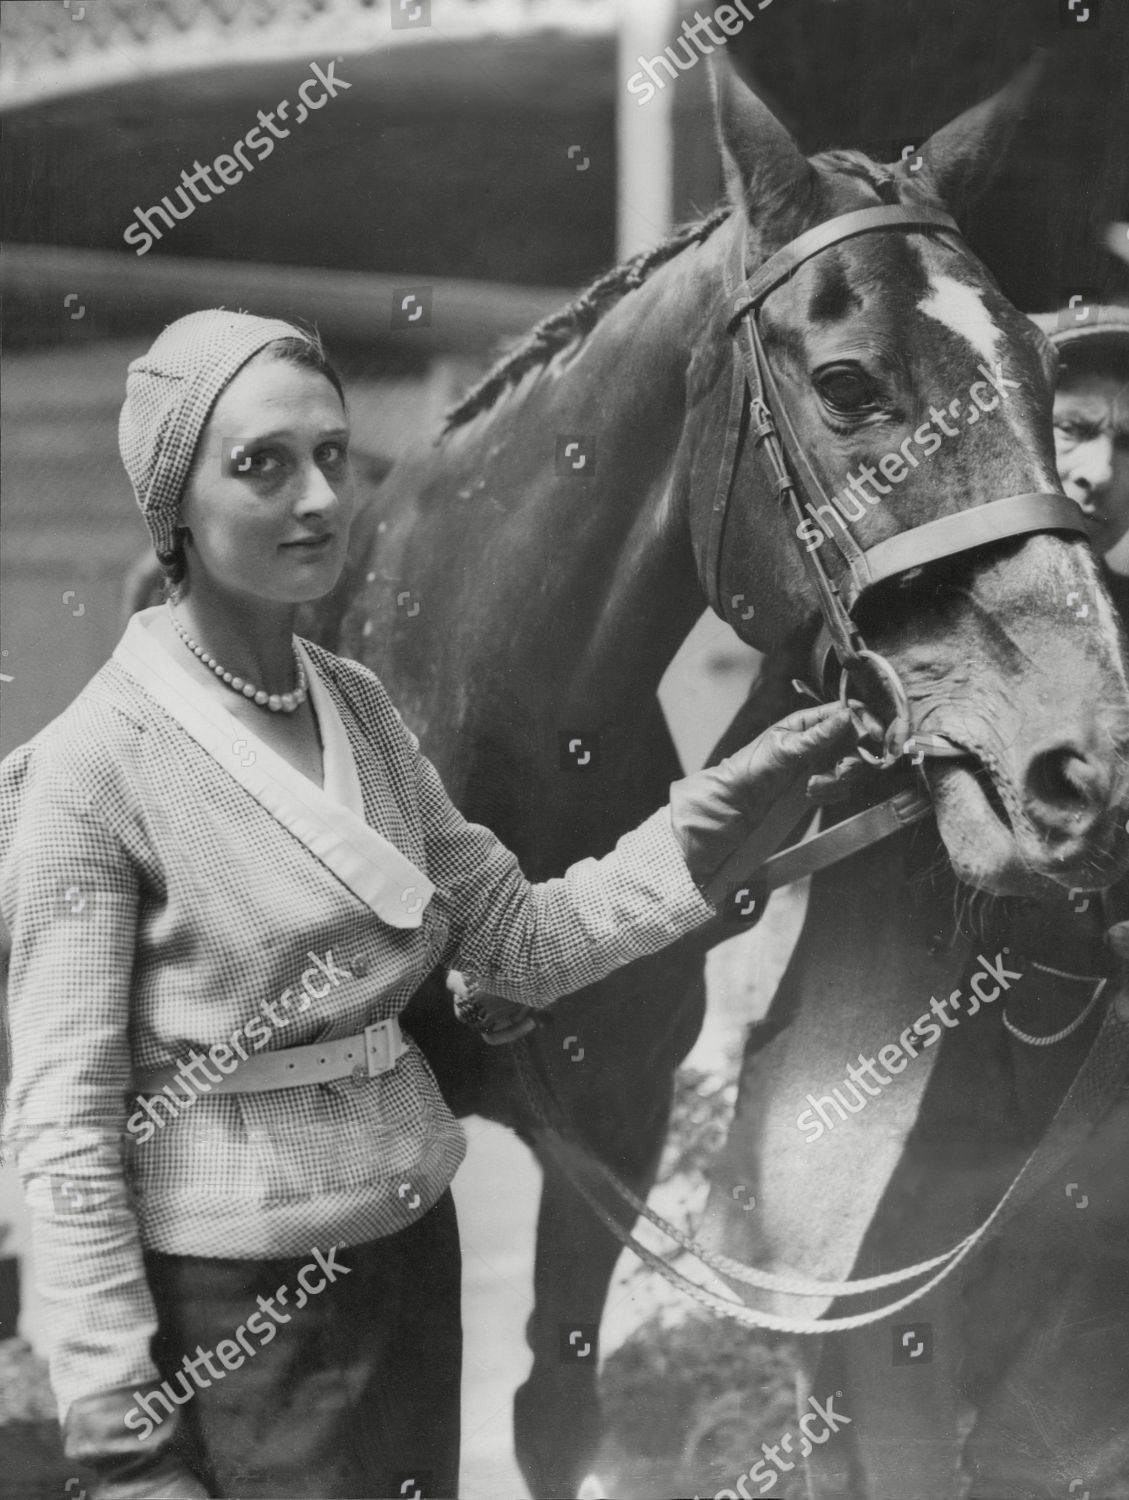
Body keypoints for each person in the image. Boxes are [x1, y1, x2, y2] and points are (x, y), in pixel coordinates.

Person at [0, 310, 859, 1500]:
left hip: (409, 1260)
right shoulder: (90, 771)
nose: (315, 498)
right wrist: (117, 1432)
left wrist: (717, 811)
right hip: (233, 1308)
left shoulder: (354, 710)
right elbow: (66, 1126)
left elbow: (523, 940)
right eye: (260, 465)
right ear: (172, 503)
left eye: (331, 456)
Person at [699, 301, 1129, 1498]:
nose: (1100, 468)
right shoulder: (866, 622)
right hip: (879, 1105)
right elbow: (718, 845)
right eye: (1074, 427)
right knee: (876, 1455)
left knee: (1048, 1445)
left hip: (1079, 1124)